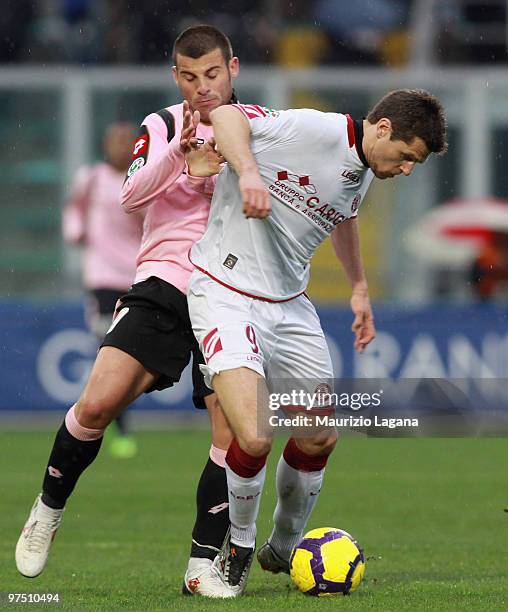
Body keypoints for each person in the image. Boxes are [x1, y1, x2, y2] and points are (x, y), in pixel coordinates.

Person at [187, 89, 448, 596]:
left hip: (289, 305)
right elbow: (223, 115)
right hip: (225, 290)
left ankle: (284, 544)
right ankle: (238, 549)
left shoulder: (365, 170)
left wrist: (358, 286)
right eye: (408, 157)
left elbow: (343, 214)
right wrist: (248, 172)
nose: (408, 169)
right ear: (384, 129)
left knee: (319, 437)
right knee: (256, 434)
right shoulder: (311, 129)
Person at [16, 25, 240, 598]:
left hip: (232, 292)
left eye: (212, 74)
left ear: (232, 69)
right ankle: (46, 511)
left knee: (231, 431)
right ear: (175, 76)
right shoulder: (162, 124)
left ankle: (200, 565)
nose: (202, 88)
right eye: (189, 77)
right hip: (164, 281)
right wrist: (182, 159)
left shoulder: (258, 128)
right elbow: (131, 195)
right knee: (95, 404)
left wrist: (227, 174)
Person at [62, 122, 142, 459]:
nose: (121, 146)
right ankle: (117, 428)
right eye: (115, 140)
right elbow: (73, 211)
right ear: (105, 144)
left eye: (127, 140)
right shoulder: (91, 178)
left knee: (135, 355)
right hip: (103, 278)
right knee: (108, 351)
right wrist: (76, 232)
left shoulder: (143, 176)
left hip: (140, 274)